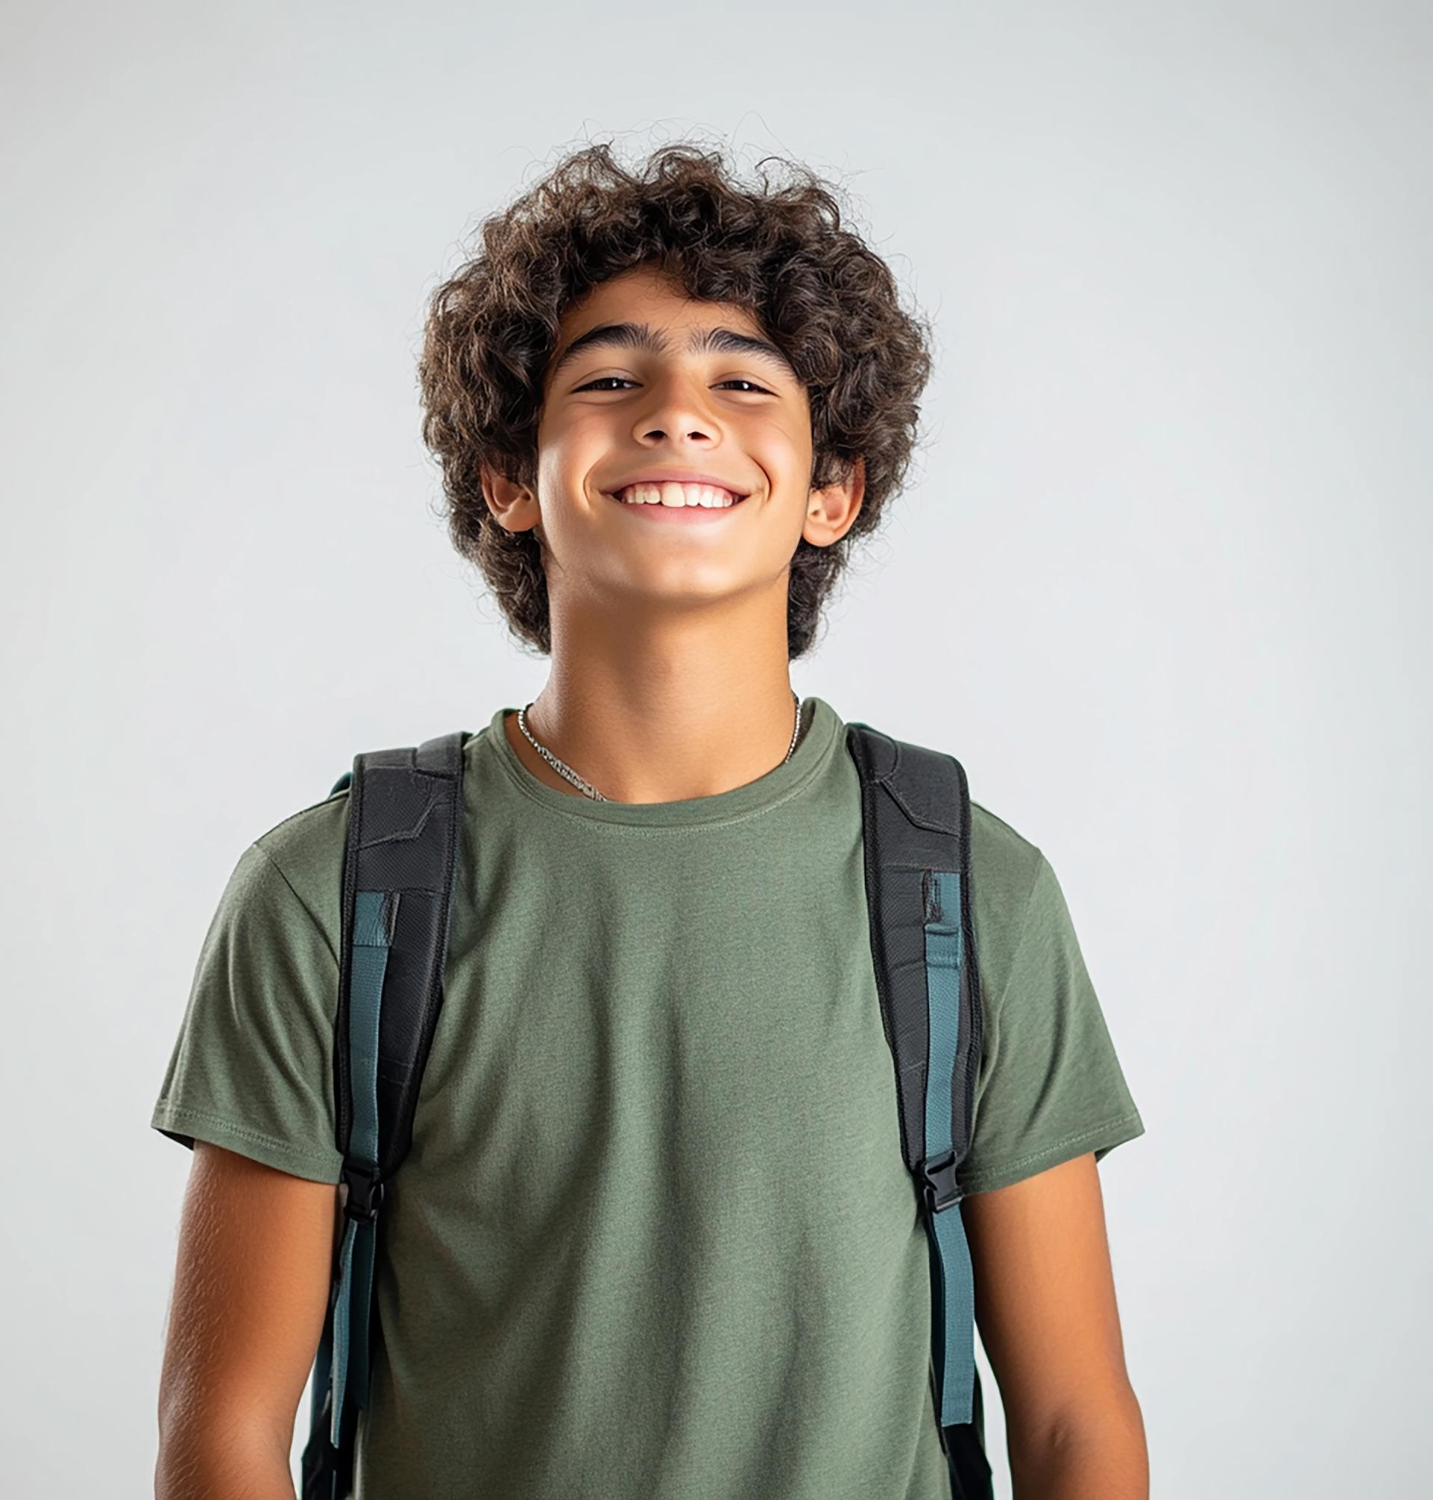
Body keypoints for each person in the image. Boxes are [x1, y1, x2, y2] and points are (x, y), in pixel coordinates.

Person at [151, 139, 1148, 1500]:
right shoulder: (338, 891)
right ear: (510, 475)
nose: (678, 415)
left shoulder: (970, 889)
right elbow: (219, 1441)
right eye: (610, 379)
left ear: (830, 490)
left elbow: (1075, 1430)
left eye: (742, 381)